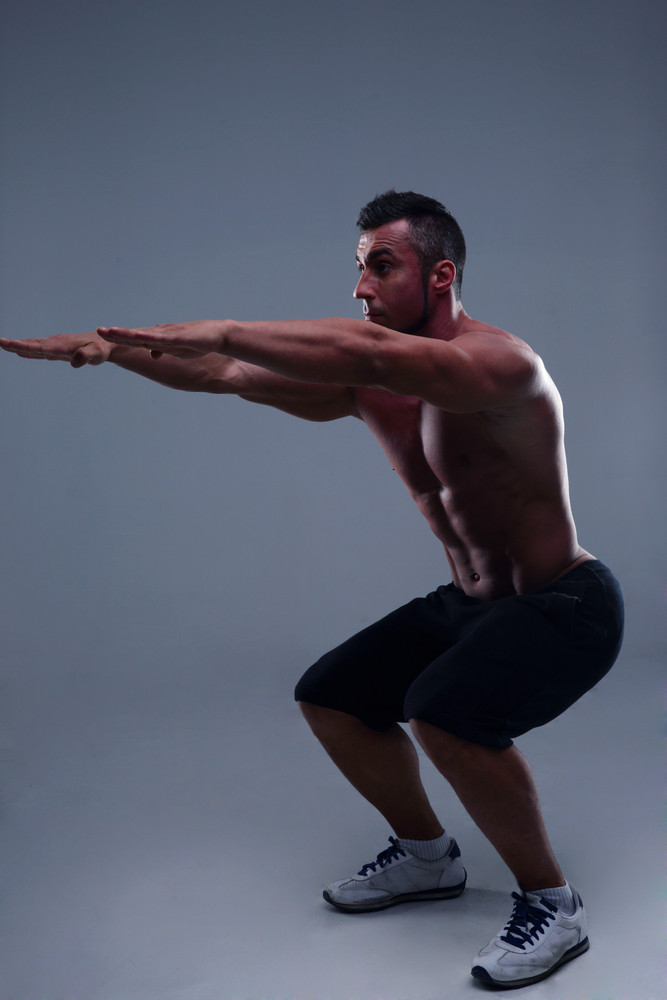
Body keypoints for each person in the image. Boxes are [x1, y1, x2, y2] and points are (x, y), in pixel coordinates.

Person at [0, 190, 624, 989]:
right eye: (357, 268)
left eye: (380, 266)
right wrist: (111, 348)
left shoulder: (499, 364)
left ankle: (553, 903)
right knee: (332, 695)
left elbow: (349, 352)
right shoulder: (369, 386)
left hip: (563, 605)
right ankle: (428, 859)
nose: (360, 287)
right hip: (470, 602)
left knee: (444, 713)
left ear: (440, 275)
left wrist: (221, 322)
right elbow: (225, 372)